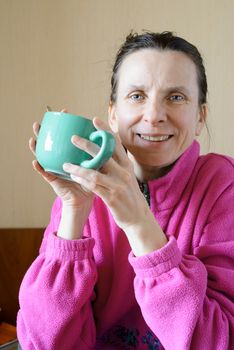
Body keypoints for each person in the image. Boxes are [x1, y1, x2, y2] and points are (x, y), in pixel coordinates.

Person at [17, 31, 234, 350]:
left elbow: (217, 341)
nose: (154, 115)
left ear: (200, 116)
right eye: (136, 96)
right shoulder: (82, 191)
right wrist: (73, 211)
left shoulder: (222, 185)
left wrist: (139, 224)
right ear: (113, 114)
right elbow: (45, 343)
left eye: (175, 97)